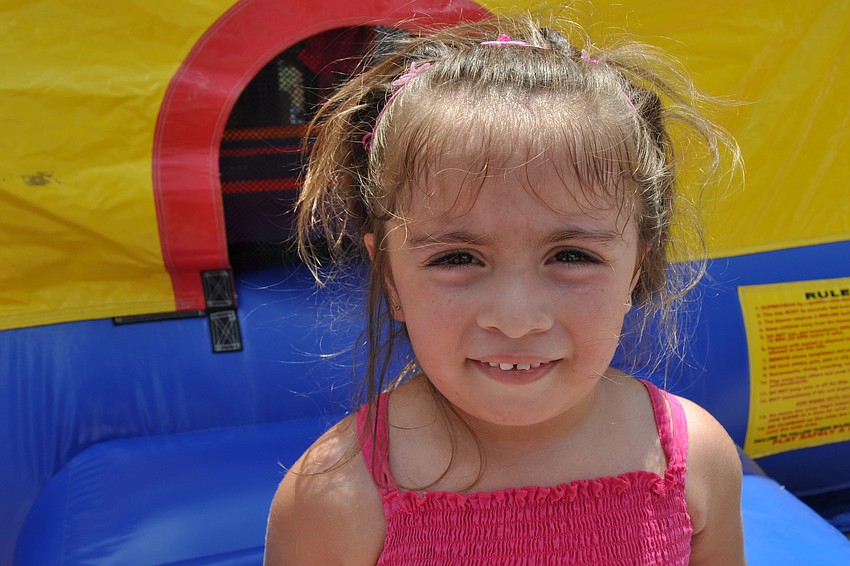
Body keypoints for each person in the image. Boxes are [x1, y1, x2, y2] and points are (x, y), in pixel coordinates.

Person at [264, 11, 745, 565]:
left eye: (571, 256)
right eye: (458, 258)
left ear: (638, 265)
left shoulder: (694, 460)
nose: (516, 318)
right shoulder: (339, 497)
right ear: (390, 276)